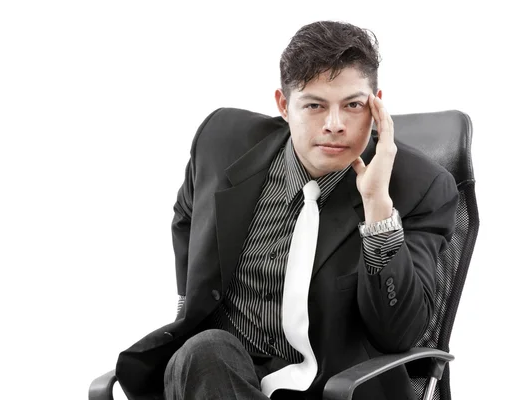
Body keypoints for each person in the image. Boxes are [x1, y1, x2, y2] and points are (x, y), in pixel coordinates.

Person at [115, 20, 459, 400]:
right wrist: (188, 304)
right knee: (205, 350)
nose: (335, 125)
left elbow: (399, 333)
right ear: (283, 105)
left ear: (376, 104)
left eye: (353, 105)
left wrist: (377, 209)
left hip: (334, 386)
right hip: (220, 374)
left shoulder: (419, 187)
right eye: (314, 105)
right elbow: (185, 217)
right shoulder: (222, 140)